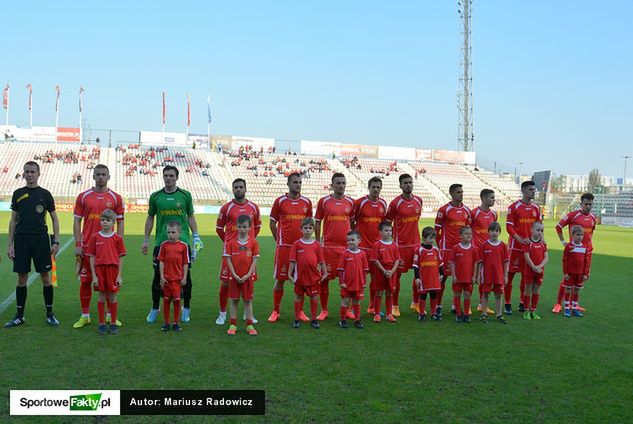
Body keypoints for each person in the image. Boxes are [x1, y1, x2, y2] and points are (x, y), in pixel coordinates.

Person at [142, 165, 202, 324]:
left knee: (185, 277)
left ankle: (186, 308)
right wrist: (146, 239)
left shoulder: (185, 195)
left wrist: (195, 236)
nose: (168, 178)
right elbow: (150, 218)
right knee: (157, 278)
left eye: (171, 175)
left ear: (177, 177)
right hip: (161, 242)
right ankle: (155, 308)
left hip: (182, 243)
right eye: (166, 175)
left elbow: (190, 217)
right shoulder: (156, 196)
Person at [5, 161, 61, 328]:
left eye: (32, 171)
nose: (29, 174)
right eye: (27, 171)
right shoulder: (18, 193)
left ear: (38, 173)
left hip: (40, 239)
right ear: (23, 173)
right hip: (21, 240)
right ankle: (19, 315)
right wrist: (10, 244)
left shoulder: (45, 194)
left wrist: (56, 241)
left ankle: (50, 314)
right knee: (22, 277)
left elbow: (54, 218)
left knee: (45, 277)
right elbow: (13, 220)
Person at [72, 164, 125, 329]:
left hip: (108, 250)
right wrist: (78, 244)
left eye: (104, 174)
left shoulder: (116, 198)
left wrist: (118, 243)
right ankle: (85, 315)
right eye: (98, 174)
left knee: (110, 283)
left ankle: (110, 316)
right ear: (93, 176)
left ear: (108, 177)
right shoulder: (83, 196)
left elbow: (121, 221)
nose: (101, 177)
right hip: (88, 248)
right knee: (86, 281)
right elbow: (76, 221)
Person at [268, 173, 313, 323]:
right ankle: (276, 310)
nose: (298, 185)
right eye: (295, 182)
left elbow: (309, 223)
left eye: (300, 182)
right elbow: (272, 223)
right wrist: (278, 240)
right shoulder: (280, 201)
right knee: (280, 280)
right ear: (288, 184)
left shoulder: (307, 202)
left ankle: (300, 312)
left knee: (302, 281)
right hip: (285, 247)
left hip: (302, 247)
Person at [215, 179, 261, 325]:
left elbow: (257, 228)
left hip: (247, 253)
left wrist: (249, 243)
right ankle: (222, 313)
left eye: (241, 187)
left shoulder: (254, 207)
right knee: (226, 283)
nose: (238, 189)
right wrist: (230, 245)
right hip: (230, 253)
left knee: (248, 282)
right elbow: (219, 229)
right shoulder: (226, 208)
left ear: (245, 189)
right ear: (232, 189)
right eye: (236, 187)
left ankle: (247, 314)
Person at [315, 173, 355, 320]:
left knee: (348, 280)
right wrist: (318, 242)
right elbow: (318, 221)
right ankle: (324, 310)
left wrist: (352, 242)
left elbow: (353, 223)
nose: (341, 186)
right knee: (324, 279)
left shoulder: (351, 202)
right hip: (328, 248)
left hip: (346, 248)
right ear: (332, 185)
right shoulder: (324, 201)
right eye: (338, 183)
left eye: (343, 183)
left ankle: (349, 309)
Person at [385, 174, 423, 317]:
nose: (408, 185)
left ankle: (416, 303)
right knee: (397, 277)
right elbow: (387, 222)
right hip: (400, 246)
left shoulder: (419, 200)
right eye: (405, 183)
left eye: (410, 182)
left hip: (416, 245)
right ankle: (395, 305)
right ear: (400, 185)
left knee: (418, 274)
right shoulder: (395, 203)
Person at [552, 193, 596, 313]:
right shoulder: (573, 215)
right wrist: (563, 242)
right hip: (573, 252)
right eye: (586, 204)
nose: (588, 206)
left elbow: (590, 233)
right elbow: (558, 226)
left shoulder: (593, 217)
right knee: (567, 278)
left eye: (590, 204)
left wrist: (589, 247)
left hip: (586, 252)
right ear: (581, 204)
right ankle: (558, 304)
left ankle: (573, 305)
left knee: (581, 278)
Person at [85, 209, 126, 335]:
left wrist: (119, 276)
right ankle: (102, 323)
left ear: (113, 222)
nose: (104, 223)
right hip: (99, 270)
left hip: (112, 270)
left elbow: (121, 257)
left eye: (108, 220)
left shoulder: (117, 238)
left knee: (113, 296)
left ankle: (113, 323)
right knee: (101, 296)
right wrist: (94, 276)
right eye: (102, 220)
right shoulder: (95, 237)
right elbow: (91, 256)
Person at [435, 183, 472, 317]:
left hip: (462, 250)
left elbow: (468, 230)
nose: (461, 194)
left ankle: (454, 305)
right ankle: (438, 305)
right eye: (458, 192)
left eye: (462, 192)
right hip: (447, 249)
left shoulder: (467, 211)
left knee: (460, 278)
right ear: (451, 194)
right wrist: (441, 245)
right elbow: (436, 230)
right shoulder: (444, 210)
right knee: (443, 277)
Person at [505, 181, 542, 315]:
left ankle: (522, 302)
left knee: (525, 277)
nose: (533, 192)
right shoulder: (514, 207)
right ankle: (507, 303)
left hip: (531, 248)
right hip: (516, 247)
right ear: (523, 190)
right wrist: (520, 240)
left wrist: (541, 241)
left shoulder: (536, 209)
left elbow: (539, 227)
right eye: (531, 189)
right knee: (509, 276)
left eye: (534, 189)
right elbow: (509, 227)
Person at [352, 176, 387, 315]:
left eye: (378, 187)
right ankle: (352, 308)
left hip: (377, 249)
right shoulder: (360, 203)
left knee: (376, 280)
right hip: (361, 248)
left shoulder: (383, 204)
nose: (376, 189)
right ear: (369, 187)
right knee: (357, 279)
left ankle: (372, 307)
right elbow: (352, 222)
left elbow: (384, 225)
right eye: (373, 187)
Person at [288, 217, 327, 329]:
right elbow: (292, 261)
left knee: (314, 297)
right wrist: (289, 274)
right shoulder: (297, 244)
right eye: (305, 228)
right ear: (301, 229)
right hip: (300, 277)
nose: (308, 230)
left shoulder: (316, 245)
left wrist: (324, 273)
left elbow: (322, 261)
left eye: (310, 228)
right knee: (298, 297)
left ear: (313, 230)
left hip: (313, 277)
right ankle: (297, 319)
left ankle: (314, 319)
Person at [224, 215, 260, 336]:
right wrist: (234, 274)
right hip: (234, 277)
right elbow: (228, 260)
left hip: (247, 277)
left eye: (244, 226)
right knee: (234, 300)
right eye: (239, 226)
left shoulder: (253, 242)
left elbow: (255, 261)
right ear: (236, 227)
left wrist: (248, 275)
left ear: (250, 227)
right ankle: (233, 324)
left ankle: (249, 325)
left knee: (248, 301)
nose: (242, 229)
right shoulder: (231, 243)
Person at [157, 221, 190, 332]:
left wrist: (184, 277)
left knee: (176, 301)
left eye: (173, 232)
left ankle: (176, 322)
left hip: (177, 280)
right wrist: (161, 276)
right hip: (166, 280)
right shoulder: (164, 245)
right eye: (168, 232)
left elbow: (185, 263)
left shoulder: (183, 246)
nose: (170, 234)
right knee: (166, 301)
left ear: (179, 233)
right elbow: (161, 261)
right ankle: (166, 323)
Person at [471, 188, 498, 315]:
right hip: (475, 251)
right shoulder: (474, 213)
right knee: (470, 278)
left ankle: (482, 304)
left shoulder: (494, 214)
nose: (494, 200)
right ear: (483, 198)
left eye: (494, 197)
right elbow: (467, 230)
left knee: (485, 279)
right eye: (491, 197)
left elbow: (494, 231)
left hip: (488, 252)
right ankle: (464, 305)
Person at [477, 222, 509, 324]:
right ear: (488, 232)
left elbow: (506, 262)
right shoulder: (484, 245)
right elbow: (480, 262)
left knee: (499, 295)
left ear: (499, 232)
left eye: (496, 231)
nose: (494, 233)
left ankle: (499, 314)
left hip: (498, 275)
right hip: (487, 275)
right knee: (485, 294)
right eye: (492, 231)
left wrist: (505, 275)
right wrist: (478, 275)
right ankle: (484, 313)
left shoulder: (503, 245)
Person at [369, 221, 400, 323]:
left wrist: (391, 271)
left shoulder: (394, 245)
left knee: (389, 293)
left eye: (390, 230)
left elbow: (397, 260)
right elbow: (375, 260)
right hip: (380, 272)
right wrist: (384, 271)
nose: (389, 232)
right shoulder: (377, 245)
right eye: (386, 230)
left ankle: (389, 314)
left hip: (391, 272)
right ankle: (377, 314)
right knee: (378, 292)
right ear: (380, 232)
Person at [337, 231, 369, 329]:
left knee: (357, 302)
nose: (350, 242)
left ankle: (357, 320)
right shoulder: (345, 254)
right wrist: (342, 282)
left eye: (353, 240)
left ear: (359, 241)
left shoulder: (362, 254)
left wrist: (364, 281)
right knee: (345, 301)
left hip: (359, 284)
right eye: (348, 240)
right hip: (347, 284)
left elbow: (365, 270)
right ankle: (343, 320)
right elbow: (340, 270)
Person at [448, 227, 480, 323]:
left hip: (468, 278)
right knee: (457, 294)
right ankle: (458, 314)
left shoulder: (473, 249)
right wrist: (453, 275)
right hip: (458, 277)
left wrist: (474, 276)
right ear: (460, 236)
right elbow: (452, 262)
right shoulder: (456, 248)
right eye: (466, 233)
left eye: (470, 233)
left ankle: (466, 314)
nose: (468, 235)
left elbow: (476, 263)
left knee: (467, 295)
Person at [561, 226, 592, 318]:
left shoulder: (584, 247)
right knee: (568, 289)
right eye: (578, 235)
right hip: (570, 273)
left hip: (580, 274)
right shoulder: (569, 246)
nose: (580, 237)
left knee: (577, 291)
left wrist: (585, 274)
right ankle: (567, 308)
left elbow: (586, 262)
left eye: (581, 235)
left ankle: (574, 308)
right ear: (572, 235)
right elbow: (565, 260)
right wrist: (565, 272)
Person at [413, 227, 443, 321]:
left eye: (434, 238)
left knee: (434, 295)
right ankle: (422, 313)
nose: (432, 240)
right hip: (423, 278)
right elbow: (415, 265)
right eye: (430, 238)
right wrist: (417, 278)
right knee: (423, 296)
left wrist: (441, 274)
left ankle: (433, 313)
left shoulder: (436, 250)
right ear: (424, 238)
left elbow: (440, 263)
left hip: (434, 278)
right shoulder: (419, 250)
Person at [521, 222, 548, 320]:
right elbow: (526, 256)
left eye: (542, 231)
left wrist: (539, 267)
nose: (540, 232)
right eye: (538, 230)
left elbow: (546, 258)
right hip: (529, 271)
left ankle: (533, 310)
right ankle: (526, 311)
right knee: (528, 290)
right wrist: (533, 267)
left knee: (536, 291)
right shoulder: (528, 243)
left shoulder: (543, 243)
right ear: (531, 230)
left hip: (539, 271)